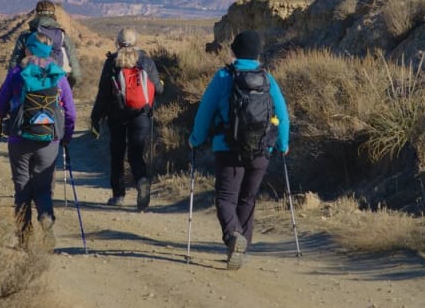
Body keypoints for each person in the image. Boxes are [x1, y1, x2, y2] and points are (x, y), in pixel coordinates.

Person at [188, 30, 289, 270]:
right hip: (261, 150)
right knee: (247, 199)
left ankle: (234, 236)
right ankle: (242, 247)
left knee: (225, 198)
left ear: (233, 50)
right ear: (258, 53)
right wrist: (282, 144)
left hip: (228, 148)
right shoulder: (267, 78)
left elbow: (205, 112)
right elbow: (283, 116)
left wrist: (195, 139)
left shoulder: (223, 76)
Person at [0, 31, 77, 247]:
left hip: (19, 139)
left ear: (27, 49)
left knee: (22, 188)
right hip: (50, 140)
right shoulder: (59, 75)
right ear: (49, 51)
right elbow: (71, 113)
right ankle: (46, 218)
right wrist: (66, 136)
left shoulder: (16, 73)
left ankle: (23, 237)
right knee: (43, 187)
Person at [90, 28, 164, 211]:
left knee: (117, 153)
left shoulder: (112, 62)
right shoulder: (146, 60)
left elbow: (103, 93)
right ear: (136, 41)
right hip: (141, 115)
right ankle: (142, 180)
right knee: (135, 153)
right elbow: (159, 89)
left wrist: (96, 117)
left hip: (116, 115)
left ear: (118, 42)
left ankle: (118, 195)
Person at [8, 0, 82, 87]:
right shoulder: (62, 36)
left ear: (36, 13)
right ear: (53, 14)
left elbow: (15, 61)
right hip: (58, 82)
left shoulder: (26, 35)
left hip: (30, 82)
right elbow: (75, 69)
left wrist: (12, 83)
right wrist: (70, 84)